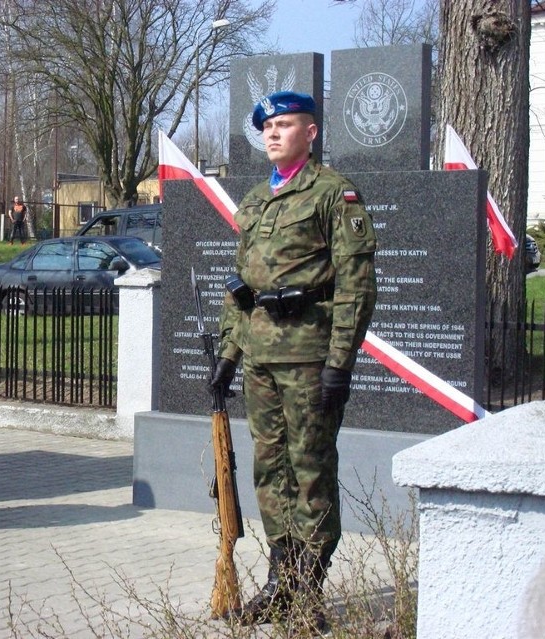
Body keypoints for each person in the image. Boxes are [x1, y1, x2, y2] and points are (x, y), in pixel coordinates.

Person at [210, 91, 377, 630]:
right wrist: (228, 355)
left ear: (311, 132)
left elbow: (356, 286)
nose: (273, 134)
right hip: (260, 354)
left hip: (308, 354)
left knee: (310, 470)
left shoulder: (334, 192)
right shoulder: (256, 199)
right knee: (270, 470)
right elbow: (241, 289)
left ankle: (309, 590)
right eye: (267, 127)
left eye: (284, 125)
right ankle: (281, 583)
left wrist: (340, 363)